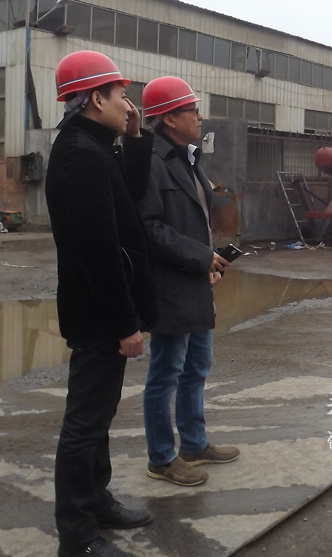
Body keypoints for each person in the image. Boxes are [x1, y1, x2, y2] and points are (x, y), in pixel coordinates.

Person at [46, 51, 159, 557]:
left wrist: (133, 137)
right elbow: (98, 251)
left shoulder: (90, 147)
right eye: (120, 96)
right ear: (96, 98)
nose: (128, 105)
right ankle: (77, 536)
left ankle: (97, 500)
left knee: (99, 415)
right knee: (85, 423)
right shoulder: (81, 156)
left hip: (98, 310)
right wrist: (124, 324)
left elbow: (129, 197)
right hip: (98, 314)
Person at [137, 76, 240, 487]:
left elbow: (194, 221)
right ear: (168, 119)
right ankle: (161, 457)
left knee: (197, 366)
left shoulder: (188, 158)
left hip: (196, 279)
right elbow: (149, 226)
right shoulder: (150, 161)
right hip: (170, 284)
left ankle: (194, 444)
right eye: (192, 110)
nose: (200, 117)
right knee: (166, 372)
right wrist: (200, 256)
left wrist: (208, 261)